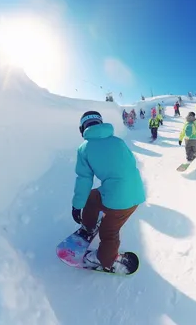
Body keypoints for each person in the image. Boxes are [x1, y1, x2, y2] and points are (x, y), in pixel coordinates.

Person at [72, 111, 146, 272]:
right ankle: (89, 225)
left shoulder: (84, 148)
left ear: (82, 129)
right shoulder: (118, 142)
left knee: (109, 232)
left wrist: (77, 206)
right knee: (93, 196)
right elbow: (131, 163)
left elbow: (84, 179)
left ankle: (105, 260)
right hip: (137, 192)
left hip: (118, 202)